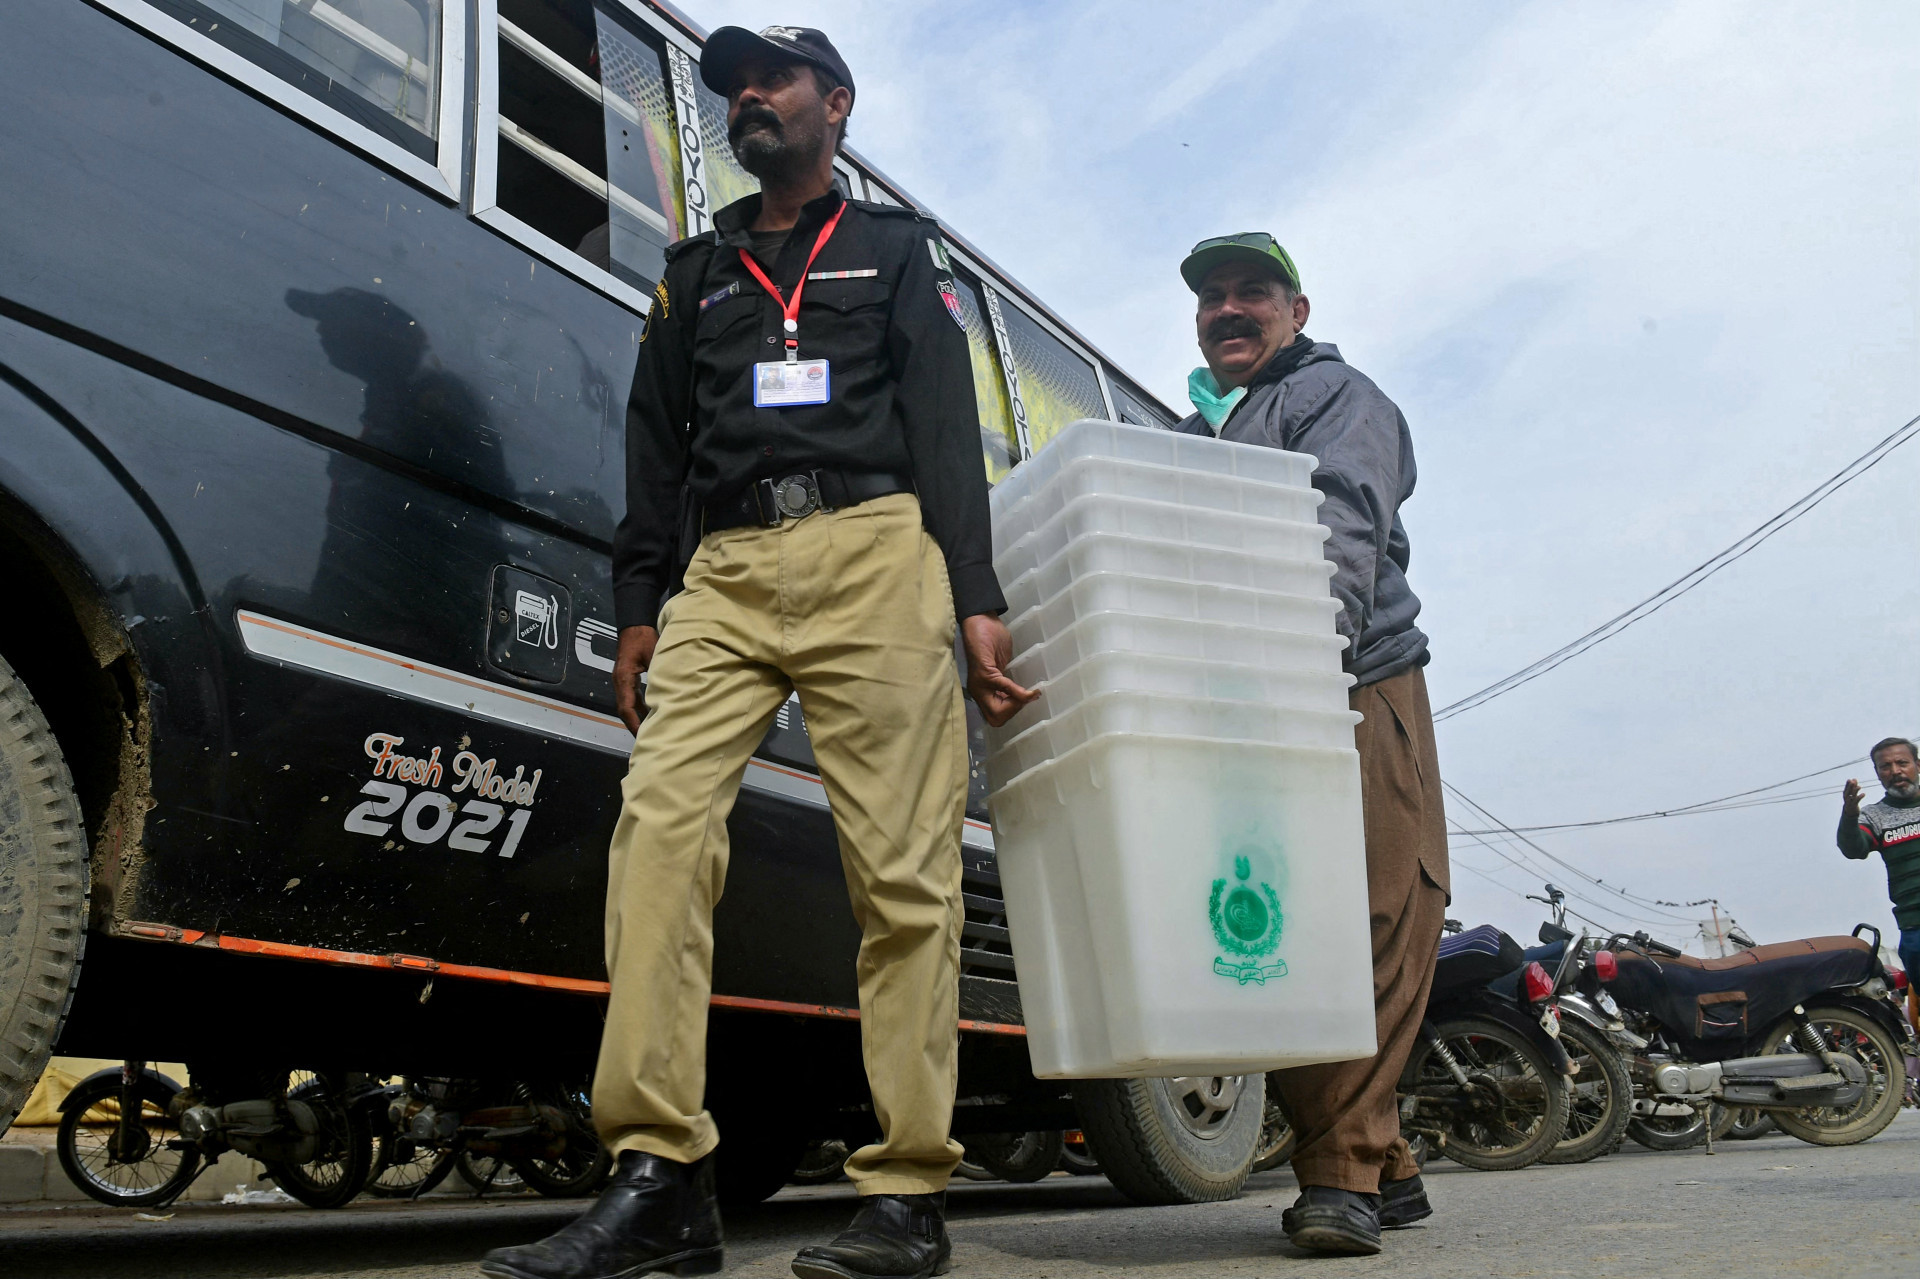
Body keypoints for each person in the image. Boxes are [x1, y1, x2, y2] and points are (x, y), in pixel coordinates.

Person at [480, 25, 1035, 1279]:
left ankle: (905, 1191)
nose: (749, 99)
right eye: (734, 85)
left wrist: (976, 594)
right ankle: (662, 1175)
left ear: (836, 105)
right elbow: (654, 447)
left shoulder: (898, 255)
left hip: (878, 552)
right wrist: (638, 603)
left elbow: (945, 427)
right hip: (724, 574)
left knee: (904, 879)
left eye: (775, 79)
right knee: (662, 835)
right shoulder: (695, 272)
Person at [1174, 234, 1450, 1256]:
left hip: (1351, 676)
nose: (1229, 309)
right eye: (1213, 297)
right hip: (1243, 703)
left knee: (1382, 907)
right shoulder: (1211, 424)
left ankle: (1344, 1170)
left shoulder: (1339, 395)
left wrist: (1313, 651)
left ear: (1298, 309)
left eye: (1253, 292)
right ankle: (1391, 1157)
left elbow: (1344, 513)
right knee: (1267, 929)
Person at [1838, 736, 1920, 984]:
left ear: (1917, 765)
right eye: (1886, 766)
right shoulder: (1874, 817)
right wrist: (1850, 815)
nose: (1895, 771)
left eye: (1902, 763)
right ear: (1877, 773)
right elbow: (1853, 848)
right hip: (1915, 924)